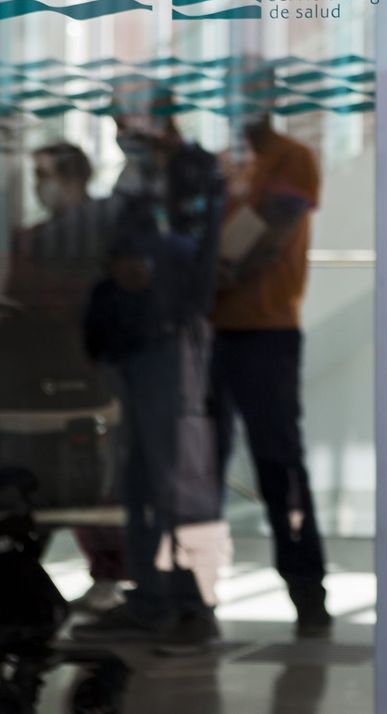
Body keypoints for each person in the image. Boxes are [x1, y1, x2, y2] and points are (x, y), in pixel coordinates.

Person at [74, 85, 227, 654]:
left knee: (177, 473)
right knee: (138, 475)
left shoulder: (197, 174)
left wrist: (150, 268)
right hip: (135, 339)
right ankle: (149, 598)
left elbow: (190, 254)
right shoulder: (137, 178)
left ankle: (190, 603)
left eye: (127, 122)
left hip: (173, 337)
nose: (120, 134)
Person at [209, 60, 331, 637]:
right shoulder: (224, 166)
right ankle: (194, 591)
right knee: (200, 466)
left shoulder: (292, 159)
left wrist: (215, 275)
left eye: (250, 89)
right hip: (210, 332)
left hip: (266, 332)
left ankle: (307, 586)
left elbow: (269, 234)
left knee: (278, 464)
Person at [3, 143, 125, 611]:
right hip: (36, 371)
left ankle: (111, 570)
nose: (39, 185)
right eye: (34, 175)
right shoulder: (32, 237)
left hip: (88, 365)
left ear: (75, 177)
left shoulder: (96, 230)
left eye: (46, 174)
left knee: (93, 471)